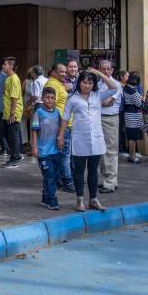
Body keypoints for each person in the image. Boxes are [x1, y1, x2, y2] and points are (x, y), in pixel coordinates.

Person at [62, 68, 117, 212]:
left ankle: (93, 199)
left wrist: (99, 74)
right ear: (79, 83)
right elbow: (65, 118)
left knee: (93, 170)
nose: (87, 85)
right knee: (79, 171)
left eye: (90, 83)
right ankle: (80, 200)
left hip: (96, 139)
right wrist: (60, 136)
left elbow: (114, 87)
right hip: (79, 139)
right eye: (84, 82)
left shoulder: (98, 95)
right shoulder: (72, 98)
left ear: (94, 84)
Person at [31, 86, 63, 210]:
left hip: (55, 150)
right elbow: (34, 131)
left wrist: (61, 141)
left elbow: (61, 127)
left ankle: (45, 197)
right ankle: (52, 200)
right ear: (43, 98)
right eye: (47, 98)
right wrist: (34, 148)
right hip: (43, 152)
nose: (50, 100)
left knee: (54, 175)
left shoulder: (57, 113)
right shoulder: (38, 113)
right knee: (49, 175)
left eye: (52, 98)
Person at [45, 63, 73, 192]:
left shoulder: (58, 84)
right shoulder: (52, 84)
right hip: (60, 126)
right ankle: (67, 181)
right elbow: (49, 106)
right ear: (54, 72)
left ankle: (58, 180)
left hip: (64, 125)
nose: (64, 74)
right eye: (61, 72)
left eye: (65, 72)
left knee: (60, 154)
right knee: (64, 155)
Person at [97, 60, 122, 194]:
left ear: (112, 70)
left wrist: (95, 101)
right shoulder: (96, 84)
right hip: (98, 119)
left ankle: (109, 183)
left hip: (110, 119)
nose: (105, 71)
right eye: (103, 69)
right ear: (99, 70)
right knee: (101, 151)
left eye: (108, 69)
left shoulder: (116, 85)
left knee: (110, 151)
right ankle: (110, 180)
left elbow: (107, 103)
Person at [1, 57, 24, 168]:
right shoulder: (8, 78)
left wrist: (12, 113)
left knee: (13, 136)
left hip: (12, 113)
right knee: (6, 134)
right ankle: (16, 154)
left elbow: (15, 97)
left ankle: (15, 158)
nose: (3, 66)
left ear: (10, 66)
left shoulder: (14, 79)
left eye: (5, 64)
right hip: (7, 112)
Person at [122, 71, 144, 163]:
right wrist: (142, 100)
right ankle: (132, 156)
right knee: (133, 137)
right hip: (133, 115)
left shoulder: (126, 88)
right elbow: (139, 104)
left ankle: (132, 155)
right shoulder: (131, 90)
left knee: (132, 136)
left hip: (129, 114)